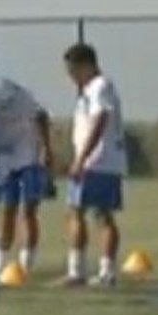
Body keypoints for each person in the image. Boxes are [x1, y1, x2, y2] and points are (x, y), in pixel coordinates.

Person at [63, 43, 126, 287]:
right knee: (100, 215)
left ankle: (78, 271)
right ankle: (104, 272)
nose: (72, 77)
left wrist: (82, 158)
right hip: (103, 161)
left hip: (96, 162)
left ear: (86, 65)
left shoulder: (100, 86)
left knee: (79, 212)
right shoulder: (91, 90)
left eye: (73, 71)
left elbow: (100, 120)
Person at [0, 78, 54, 276]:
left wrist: (46, 148)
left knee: (28, 211)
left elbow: (41, 116)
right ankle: (0, 264)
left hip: (28, 159)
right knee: (6, 211)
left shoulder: (21, 96)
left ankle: (26, 265)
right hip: (3, 161)